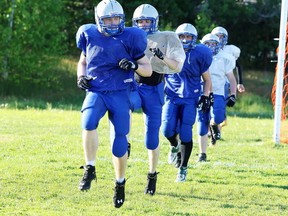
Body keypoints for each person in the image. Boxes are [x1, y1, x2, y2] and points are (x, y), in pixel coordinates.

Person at [75, 0, 152, 208]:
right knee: (88, 121)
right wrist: (80, 76)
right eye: (107, 18)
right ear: (98, 19)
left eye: (116, 18)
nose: (112, 22)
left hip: (120, 92)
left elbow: (148, 69)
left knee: (119, 143)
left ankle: (119, 183)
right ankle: (90, 168)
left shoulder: (131, 37)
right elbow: (82, 62)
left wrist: (134, 65)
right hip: (97, 90)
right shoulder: (89, 34)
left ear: (122, 19)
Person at [131, 4, 186, 191]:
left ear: (154, 22)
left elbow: (177, 66)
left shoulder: (166, 38)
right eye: (140, 21)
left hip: (154, 88)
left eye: (147, 21)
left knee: (151, 136)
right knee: (122, 109)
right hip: (134, 85)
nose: (144, 24)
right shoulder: (130, 35)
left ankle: (152, 174)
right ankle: (124, 142)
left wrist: (161, 56)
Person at [161, 23, 212, 182]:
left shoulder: (199, 54)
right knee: (167, 130)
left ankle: (183, 168)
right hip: (172, 96)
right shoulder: (169, 51)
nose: (184, 40)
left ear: (194, 38)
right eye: (181, 36)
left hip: (190, 98)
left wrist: (205, 96)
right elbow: (160, 74)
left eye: (188, 36)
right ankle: (174, 146)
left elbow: (207, 79)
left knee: (186, 133)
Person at [197, 33, 237, 161]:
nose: (210, 46)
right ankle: (202, 154)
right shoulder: (198, 56)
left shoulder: (224, 58)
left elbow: (231, 78)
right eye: (208, 43)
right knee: (202, 123)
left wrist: (233, 94)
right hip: (202, 93)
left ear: (218, 45)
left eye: (213, 44)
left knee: (219, 117)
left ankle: (214, 125)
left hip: (219, 92)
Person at [211, 26, 245, 136]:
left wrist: (240, 82)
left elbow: (238, 65)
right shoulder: (208, 47)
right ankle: (211, 128)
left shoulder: (230, 50)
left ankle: (217, 127)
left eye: (222, 36)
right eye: (217, 36)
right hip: (209, 82)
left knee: (220, 106)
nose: (219, 39)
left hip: (224, 83)